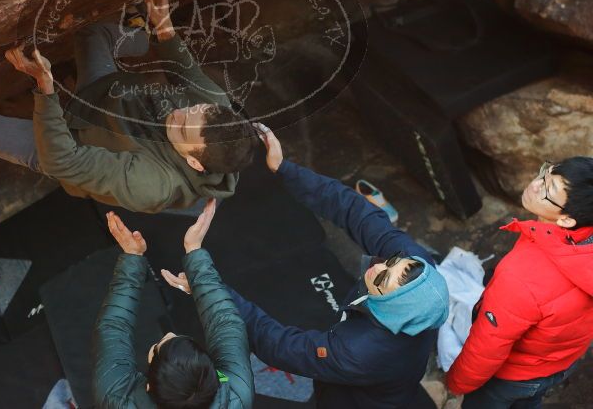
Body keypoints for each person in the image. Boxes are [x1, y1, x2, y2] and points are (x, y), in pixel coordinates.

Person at [0, 0, 255, 213]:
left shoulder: (151, 184)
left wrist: (46, 86)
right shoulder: (213, 110)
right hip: (103, 97)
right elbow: (185, 71)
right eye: (196, 109)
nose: (182, 111)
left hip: (64, 144)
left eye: (184, 124)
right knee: (94, 34)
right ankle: (136, 31)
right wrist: (162, 24)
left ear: (193, 161)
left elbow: (64, 160)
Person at [167, 123, 449, 408]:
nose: (375, 269)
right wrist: (285, 169)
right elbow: (357, 211)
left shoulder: (357, 352)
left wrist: (207, 287)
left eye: (381, 280)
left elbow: (276, 343)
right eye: (390, 262)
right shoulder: (418, 272)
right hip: (395, 375)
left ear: (394, 311)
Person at [446, 157, 593, 409]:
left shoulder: (520, 276)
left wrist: (457, 383)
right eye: (546, 173)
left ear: (567, 220)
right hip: (561, 361)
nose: (535, 184)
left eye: (548, 190)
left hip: (514, 376)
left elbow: (488, 345)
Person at [93, 199, 254, 408]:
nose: (170, 335)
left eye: (157, 349)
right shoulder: (236, 395)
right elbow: (225, 324)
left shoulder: (115, 398)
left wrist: (132, 257)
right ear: (215, 376)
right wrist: (195, 251)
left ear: (149, 386)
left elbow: (113, 329)